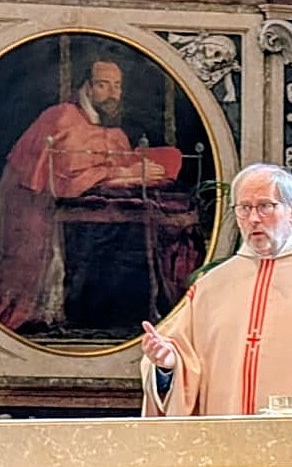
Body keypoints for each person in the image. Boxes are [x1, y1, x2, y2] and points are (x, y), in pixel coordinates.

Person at [139, 163, 292, 416]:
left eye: (265, 206)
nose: (253, 218)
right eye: (244, 208)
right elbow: (179, 357)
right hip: (224, 438)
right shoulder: (212, 285)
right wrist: (166, 365)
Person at [0, 58, 182, 332]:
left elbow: (107, 164)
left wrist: (136, 168)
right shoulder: (62, 117)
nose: (112, 93)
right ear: (86, 86)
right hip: (33, 209)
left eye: (117, 86)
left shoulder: (109, 129)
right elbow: (65, 177)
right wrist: (129, 174)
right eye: (103, 85)